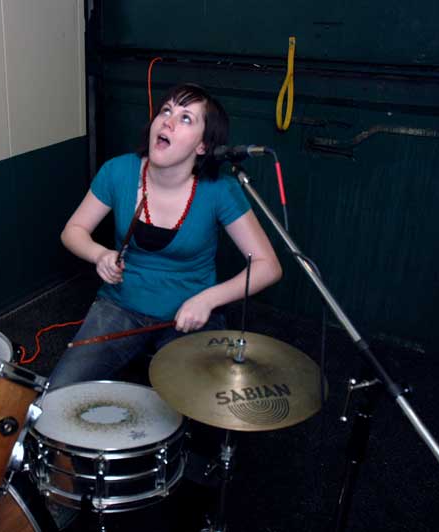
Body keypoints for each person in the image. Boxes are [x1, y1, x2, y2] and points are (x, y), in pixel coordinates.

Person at [49, 83, 282, 389]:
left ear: (202, 146)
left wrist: (207, 300)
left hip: (190, 313)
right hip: (120, 306)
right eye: (166, 111)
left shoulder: (220, 190)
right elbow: (73, 231)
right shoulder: (118, 171)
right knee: (58, 394)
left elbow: (269, 266)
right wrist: (99, 254)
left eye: (186, 118)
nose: (168, 121)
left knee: (199, 411)